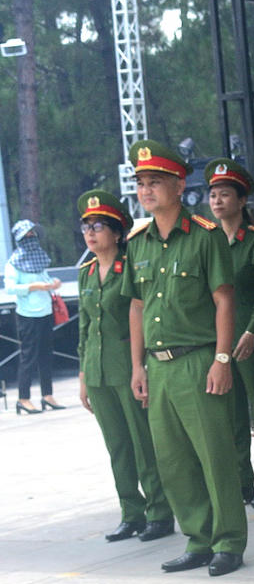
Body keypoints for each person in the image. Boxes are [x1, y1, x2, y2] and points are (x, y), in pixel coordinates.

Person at [123, 139, 247, 575]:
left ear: (179, 186)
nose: (146, 190)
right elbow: (136, 307)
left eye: (155, 182)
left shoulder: (204, 236)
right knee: (172, 460)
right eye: (141, 183)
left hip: (198, 360)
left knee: (214, 455)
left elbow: (224, 301)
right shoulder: (136, 242)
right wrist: (137, 366)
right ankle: (198, 539)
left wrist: (222, 358)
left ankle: (229, 541)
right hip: (157, 366)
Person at [75, 189, 174, 543]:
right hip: (99, 371)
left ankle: (159, 512)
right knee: (117, 445)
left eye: (98, 225)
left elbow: (143, 317)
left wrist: (140, 366)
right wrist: (84, 377)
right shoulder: (86, 273)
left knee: (142, 442)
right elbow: (85, 329)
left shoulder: (130, 266)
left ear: (117, 232)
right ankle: (130, 512)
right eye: (86, 226)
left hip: (126, 367)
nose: (90, 232)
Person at [205, 158, 254, 509]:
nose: (218, 201)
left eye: (225, 194)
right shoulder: (206, 242)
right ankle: (242, 481)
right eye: (213, 195)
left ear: (241, 200)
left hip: (252, 338)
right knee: (232, 416)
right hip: (221, 343)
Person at [5, 220, 64, 413]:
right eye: (27, 236)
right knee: (28, 356)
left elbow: (45, 277)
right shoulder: (14, 262)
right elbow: (11, 288)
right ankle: (23, 398)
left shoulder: (40, 257)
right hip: (27, 314)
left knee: (46, 354)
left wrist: (53, 283)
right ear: (20, 239)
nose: (31, 238)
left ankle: (47, 395)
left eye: (33, 234)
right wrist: (34, 287)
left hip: (45, 311)